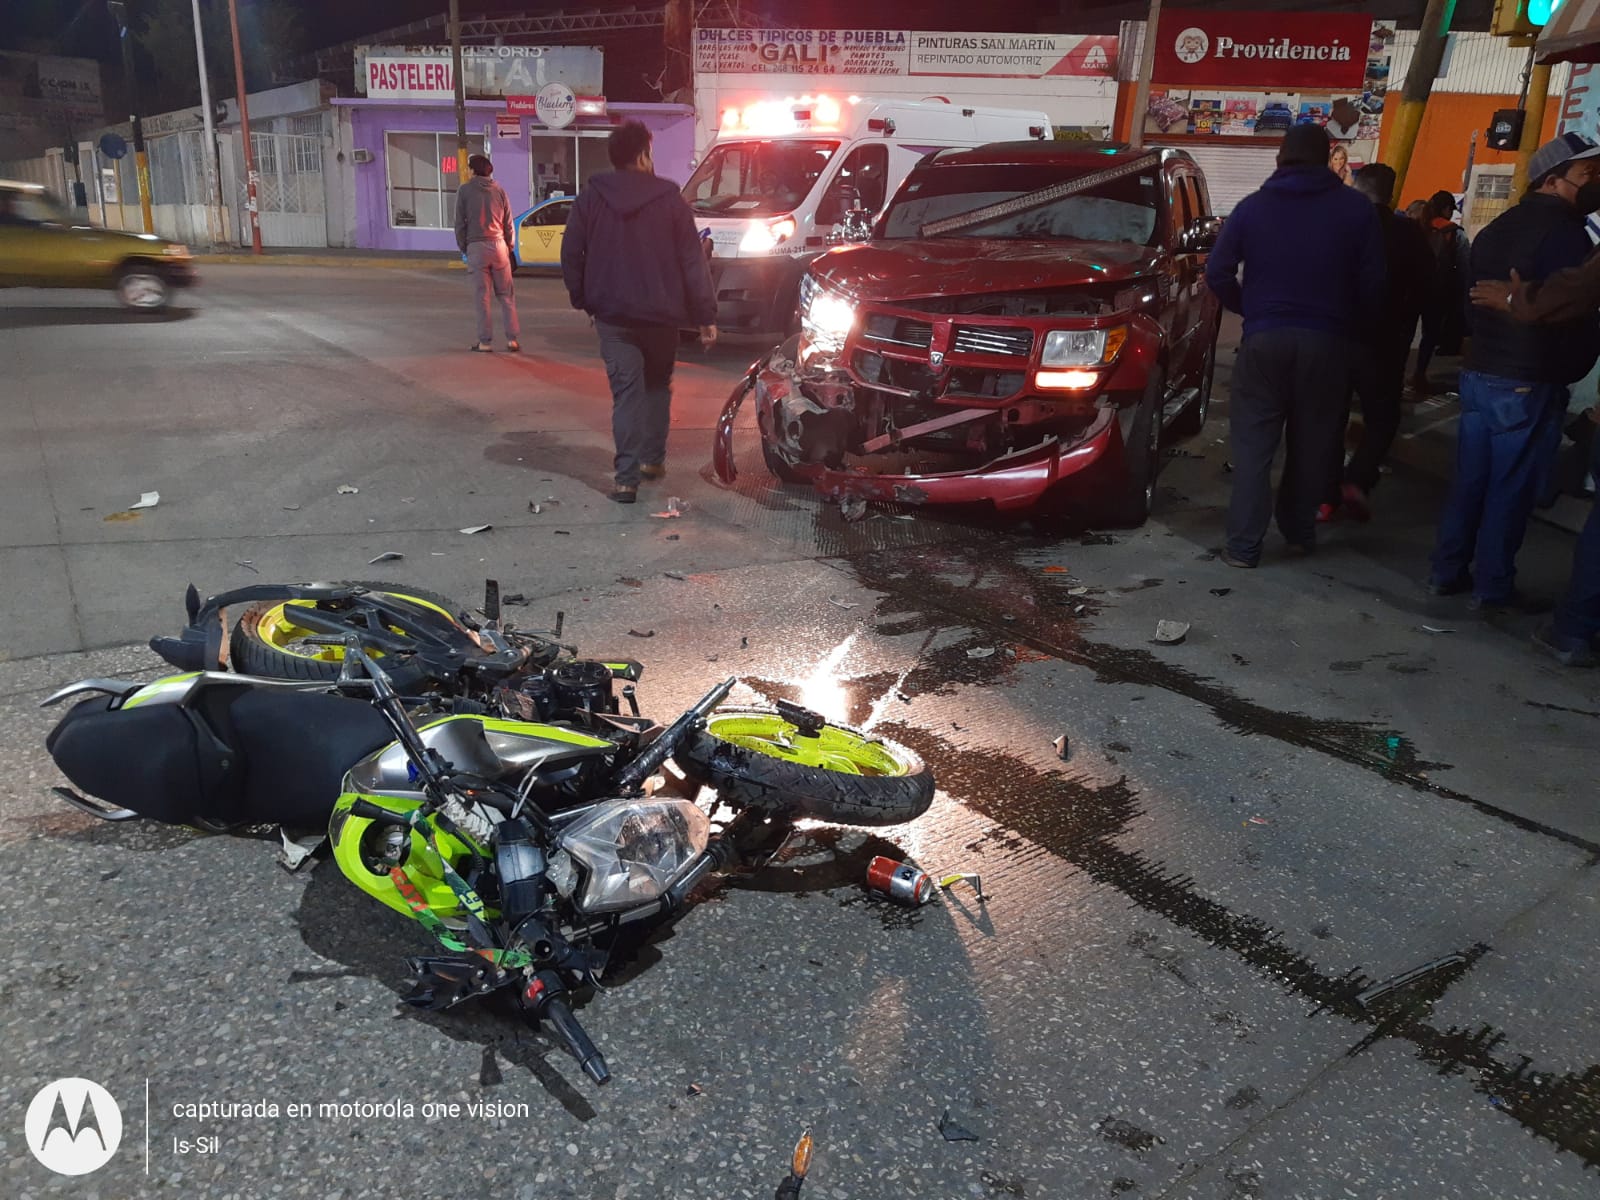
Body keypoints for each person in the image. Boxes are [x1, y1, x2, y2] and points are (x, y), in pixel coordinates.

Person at [1429, 132, 1600, 611]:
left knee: (1470, 481)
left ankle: (1446, 571)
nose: (1595, 183)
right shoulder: (1567, 237)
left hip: (1482, 372)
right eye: (1589, 175)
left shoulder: (1497, 228)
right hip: (1528, 380)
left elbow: (1472, 304)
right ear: (1552, 181)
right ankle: (1493, 586)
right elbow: (1570, 307)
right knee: (1511, 488)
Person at [1204, 122, 1385, 568]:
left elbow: (1217, 272)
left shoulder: (1252, 209)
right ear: (1327, 160)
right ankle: (1299, 533)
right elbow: (1375, 285)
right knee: (1312, 445)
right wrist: (1345, 324)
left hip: (1265, 341)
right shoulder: (1356, 210)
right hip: (1327, 344)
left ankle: (1245, 548)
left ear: (1279, 159)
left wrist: (1252, 310)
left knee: (1253, 449)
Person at [562, 120, 717, 504]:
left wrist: (584, 298)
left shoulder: (590, 198)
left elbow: (570, 254)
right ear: (644, 155)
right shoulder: (670, 200)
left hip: (613, 317)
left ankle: (625, 480)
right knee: (656, 387)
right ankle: (652, 460)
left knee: (626, 395)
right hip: (662, 319)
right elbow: (692, 262)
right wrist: (705, 315)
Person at [1470, 247, 1600, 665]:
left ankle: (1572, 628)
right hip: (1522, 380)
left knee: (1480, 480)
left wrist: (1515, 300)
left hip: (1494, 371)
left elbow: (1577, 291)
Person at [1323, 163, 1435, 522]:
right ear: (1391, 192)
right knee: (1383, 417)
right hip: (1384, 343)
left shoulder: (1339, 227)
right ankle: (1356, 480)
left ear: (1357, 187)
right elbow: (1426, 289)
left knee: (1329, 416)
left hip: (1334, 338)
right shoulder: (1409, 234)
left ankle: (1325, 497)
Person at [454, 154, 521, 353]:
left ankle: (485, 342)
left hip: (476, 247)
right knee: (507, 296)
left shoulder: (465, 190)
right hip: (499, 246)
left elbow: (459, 223)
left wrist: (465, 247)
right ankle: (513, 340)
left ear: (472, 170)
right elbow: (509, 223)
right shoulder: (499, 190)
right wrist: (509, 246)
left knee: (482, 297)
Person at [1411, 189, 1471, 394]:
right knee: (1430, 335)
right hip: (1438, 292)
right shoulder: (1454, 233)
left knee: (1405, 333)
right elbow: (1464, 268)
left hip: (1412, 289)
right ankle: (1419, 374)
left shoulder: (1417, 228)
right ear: (1446, 209)